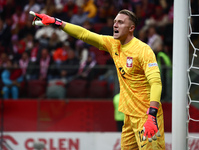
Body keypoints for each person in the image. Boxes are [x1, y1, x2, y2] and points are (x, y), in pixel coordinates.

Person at [30, 9, 165, 149]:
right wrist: (56, 22)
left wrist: (152, 116)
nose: (115, 25)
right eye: (114, 22)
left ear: (131, 28)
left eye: (120, 22)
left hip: (146, 116)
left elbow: (156, 83)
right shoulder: (114, 44)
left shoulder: (143, 50)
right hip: (129, 116)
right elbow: (84, 34)